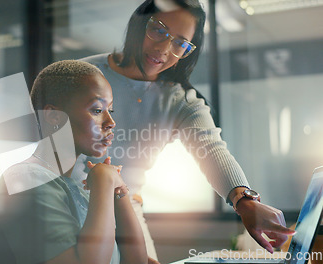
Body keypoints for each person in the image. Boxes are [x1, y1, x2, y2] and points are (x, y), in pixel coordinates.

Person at [76, 0, 295, 260]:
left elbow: (211, 148)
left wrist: (244, 201)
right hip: (69, 199)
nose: (163, 49)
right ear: (138, 24)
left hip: (125, 205)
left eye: (180, 43)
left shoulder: (179, 99)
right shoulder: (83, 75)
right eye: (159, 30)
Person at [0, 60, 150, 264]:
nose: (111, 122)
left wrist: (119, 192)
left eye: (111, 110)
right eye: (97, 110)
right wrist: (104, 181)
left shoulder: (78, 188)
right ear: (54, 117)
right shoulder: (26, 180)